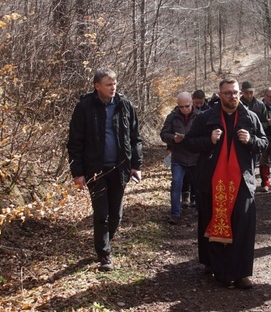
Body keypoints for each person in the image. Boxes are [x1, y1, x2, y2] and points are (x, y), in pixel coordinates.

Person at [184, 78, 269, 289]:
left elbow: (264, 143)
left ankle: (241, 273)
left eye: (236, 92)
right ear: (220, 94)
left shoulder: (250, 117)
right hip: (212, 179)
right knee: (213, 220)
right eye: (228, 93)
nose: (233, 96)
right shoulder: (206, 118)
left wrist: (251, 140)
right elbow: (189, 143)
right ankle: (216, 267)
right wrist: (209, 140)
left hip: (242, 180)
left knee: (242, 225)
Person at [67, 67, 143, 272]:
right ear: (97, 86)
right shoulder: (84, 107)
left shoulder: (124, 105)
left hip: (120, 169)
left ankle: (105, 242)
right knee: (102, 214)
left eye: (115, 84)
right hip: (95, 169)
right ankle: (105, 255)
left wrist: (136, 165)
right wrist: (78, 173)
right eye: (108, 84)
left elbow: (135, 138)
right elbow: (75, 142)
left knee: (116, 215)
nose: (113, 88)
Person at [160, 92, 199, 224]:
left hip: (196, 157)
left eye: (187, 106)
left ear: (192, 103)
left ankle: (201, 211)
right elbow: (163, 134)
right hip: (178, 157)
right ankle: (175, 214)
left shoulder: (200, 116)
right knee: (176, 184)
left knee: (199, 185)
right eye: (181, 107)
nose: (184, 109)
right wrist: (173, 139)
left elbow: (205, 135)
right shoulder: (172, 117)